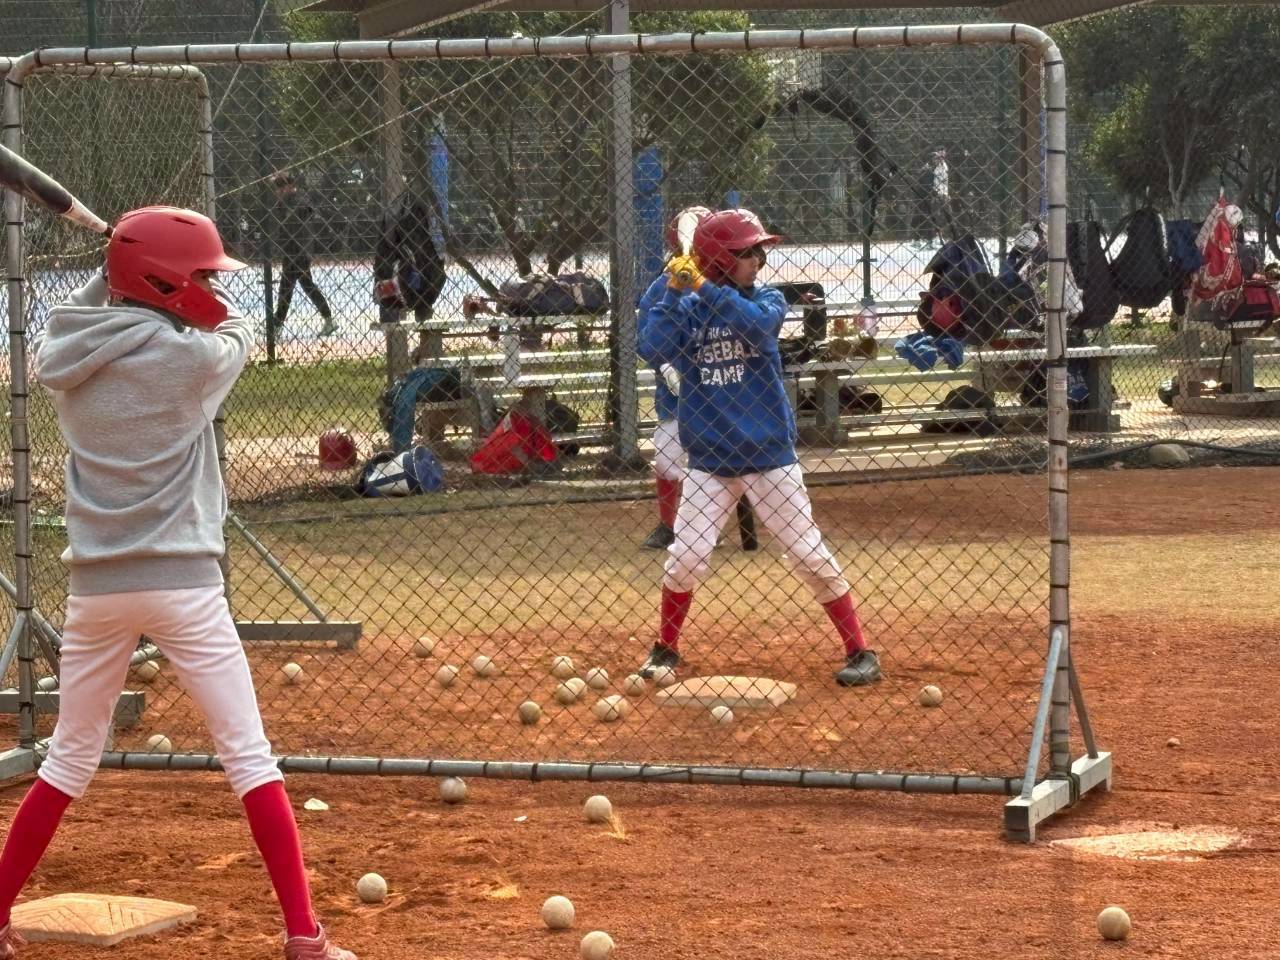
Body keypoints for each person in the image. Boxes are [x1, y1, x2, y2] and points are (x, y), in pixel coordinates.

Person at [2, 207, 355, 960]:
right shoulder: (192, 361)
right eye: (198, 274)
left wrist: (121, 270)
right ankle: (304, 937)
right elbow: (231, 326)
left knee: (67, 760)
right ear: (163, 283)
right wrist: (180, 290)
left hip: (96, 590)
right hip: (185, 588)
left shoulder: (66, 359)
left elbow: (80, 315)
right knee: (249, 758)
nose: (209, 286)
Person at [636, 208, 882, 688]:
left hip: (769, 457)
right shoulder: (686, 307)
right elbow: (654, 347)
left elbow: (755, 325)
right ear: (719, 259)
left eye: (758, 253)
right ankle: (666, 647)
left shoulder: (766, 299)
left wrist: (703, 286)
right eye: (747, 253)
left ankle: (860, 650)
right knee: (686, 558)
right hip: (709, 460)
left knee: (809, 555)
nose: (759, 261)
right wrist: (671, 290)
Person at [640, 205, 711, 550]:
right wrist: (665, 366)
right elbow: (645, 341)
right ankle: (669, 525)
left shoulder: (726, 283)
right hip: (676, 395)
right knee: (668, 457)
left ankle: (706, 524)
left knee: (717, 462)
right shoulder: (661, 287)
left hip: (721, 389)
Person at [271, 171, 336, 338]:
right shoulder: (283, 203)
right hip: (291, 251)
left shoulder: (299, 200)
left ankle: (277, 326)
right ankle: (328, 319)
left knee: (287, 289)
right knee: (304, 286)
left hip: (299, 251)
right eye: (277, 188)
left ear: (290, 186)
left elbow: (308, 210)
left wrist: (289, 204)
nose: (278, 191)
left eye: (281, 187)